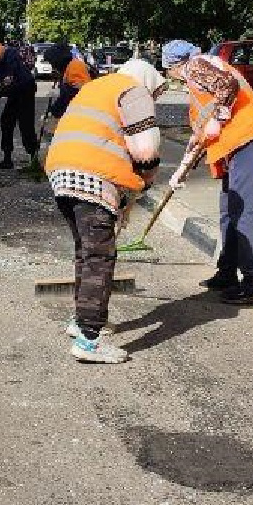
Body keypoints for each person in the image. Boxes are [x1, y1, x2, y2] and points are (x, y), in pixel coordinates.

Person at [45, 57, 165, 363]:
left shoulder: (96, 87)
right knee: (100, 258)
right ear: (149, 82)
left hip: (61, 172)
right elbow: (146, 149)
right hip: (92, 178)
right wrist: (147, 179)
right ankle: (89, 340)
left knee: (85, 252)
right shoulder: (134, 90)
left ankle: (80, 321)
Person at [163, 39, 253, 305]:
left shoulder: (194, 66)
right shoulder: (197, 78)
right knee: (229, 210)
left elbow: (228, 86)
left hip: (250, 139)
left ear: (174, 65)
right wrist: (181, 170)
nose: (170, 76)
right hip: (237, 144)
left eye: (167, 70)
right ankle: (227, 272)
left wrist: (219, 118)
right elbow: (200, 135)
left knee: (244, 210)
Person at [0, 38, 38, 170]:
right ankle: (7, 159)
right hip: (14, 91)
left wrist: (10, 74)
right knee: (6, 120)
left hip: (24, 87)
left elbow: (12, 54)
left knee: (25, 123)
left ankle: (34, 159)